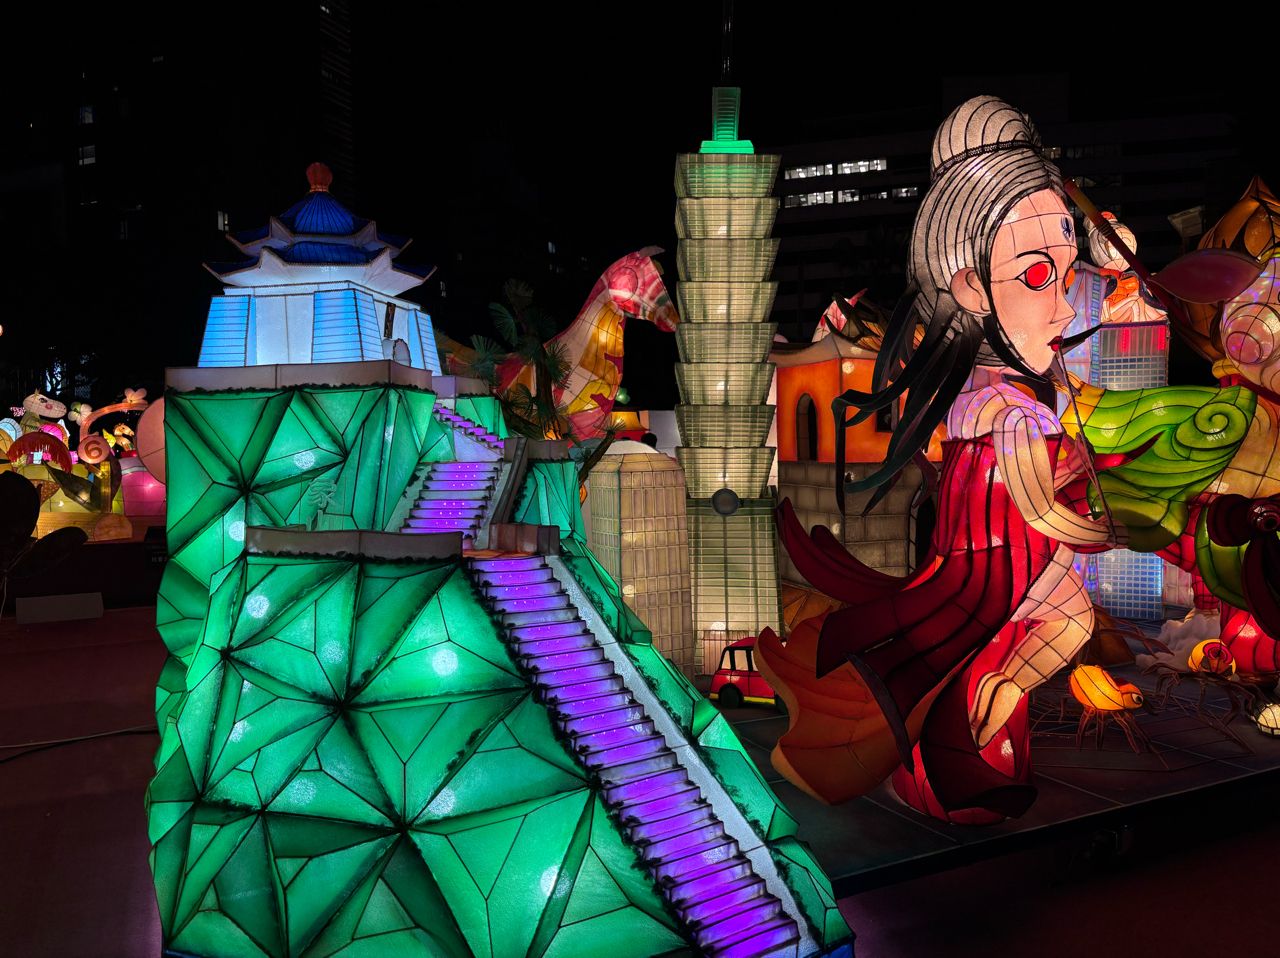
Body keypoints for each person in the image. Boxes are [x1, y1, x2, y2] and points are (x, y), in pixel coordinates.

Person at [771, 96, 1124, 782]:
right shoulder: (1014, 414)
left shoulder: (977, 402)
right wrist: (1099, 531)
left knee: (1056, 628)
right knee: (1070, 622)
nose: (1062, 306)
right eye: (1037, 275)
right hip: (1003, 573)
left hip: (993, 568)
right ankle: (994, 704)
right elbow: (1036, 508)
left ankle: (988, 710)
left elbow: (1004, 488)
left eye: (1065, 275)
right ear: (970, 287)